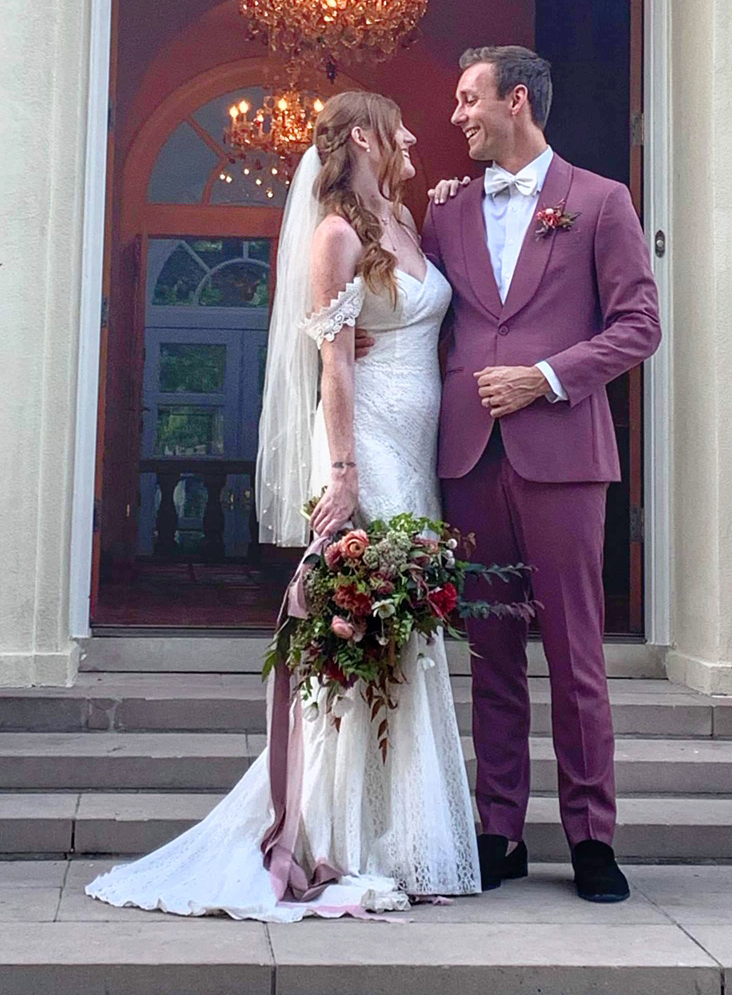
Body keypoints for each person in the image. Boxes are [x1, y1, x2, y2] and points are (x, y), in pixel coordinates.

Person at [85, 90, 478, 920]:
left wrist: (446, 197)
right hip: (365, 441)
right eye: (401, 125)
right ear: (368, 137)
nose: (415, 135)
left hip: (418, 454)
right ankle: (338, 834)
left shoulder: (408, 221)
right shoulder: (334, 235)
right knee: (363, 631)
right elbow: (335, 363)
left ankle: (401, 832)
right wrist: (340, 471)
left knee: (407, 631)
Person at [422, 45, 660, 904]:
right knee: (488, 654)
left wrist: (545, 377)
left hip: (562, 460)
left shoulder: (600, 202)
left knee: (575, 656)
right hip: (471, 463)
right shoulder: (444, 213)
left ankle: (593, 838)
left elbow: (639, 326)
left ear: (515, 100)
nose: (457, 118)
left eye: (467, 100)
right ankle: (499, 833)